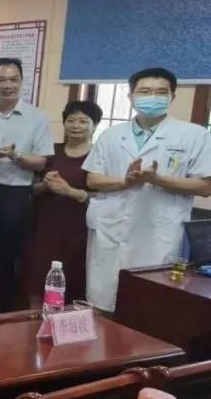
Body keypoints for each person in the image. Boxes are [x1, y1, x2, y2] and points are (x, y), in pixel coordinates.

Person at [84, 67, 211, 311]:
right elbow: (92, 180)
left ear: (172, 97)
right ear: (130, 96)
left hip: (158, 233)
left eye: (161, 92)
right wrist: (125, 182)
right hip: (111, 227)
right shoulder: (111, 135)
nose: (152, 97)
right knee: (102, 303)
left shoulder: (194, 135)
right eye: (144, 91)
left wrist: (157, 179)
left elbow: (205, 187)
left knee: (148, 307)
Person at [0, 58, 52, 313]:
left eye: (13, 79)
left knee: (8, 254)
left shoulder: (37, 118)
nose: (7, 85)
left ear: (22, 82)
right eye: (1, 79)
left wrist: (16, 155)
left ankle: (2, 310)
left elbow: (41, 161)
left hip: (14, 195)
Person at [23, 100, 102, 307]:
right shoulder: (50, 152)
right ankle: (36, 323)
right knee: (37, 280)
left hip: (80, 231)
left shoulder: (99, 155)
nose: (76, 126)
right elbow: (30, 189)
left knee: (74, 284)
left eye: (83, 121)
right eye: (71, 120)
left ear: (95, 125)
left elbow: (104, 197)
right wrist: (46, 185)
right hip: (45, 229)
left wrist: (70, 192)